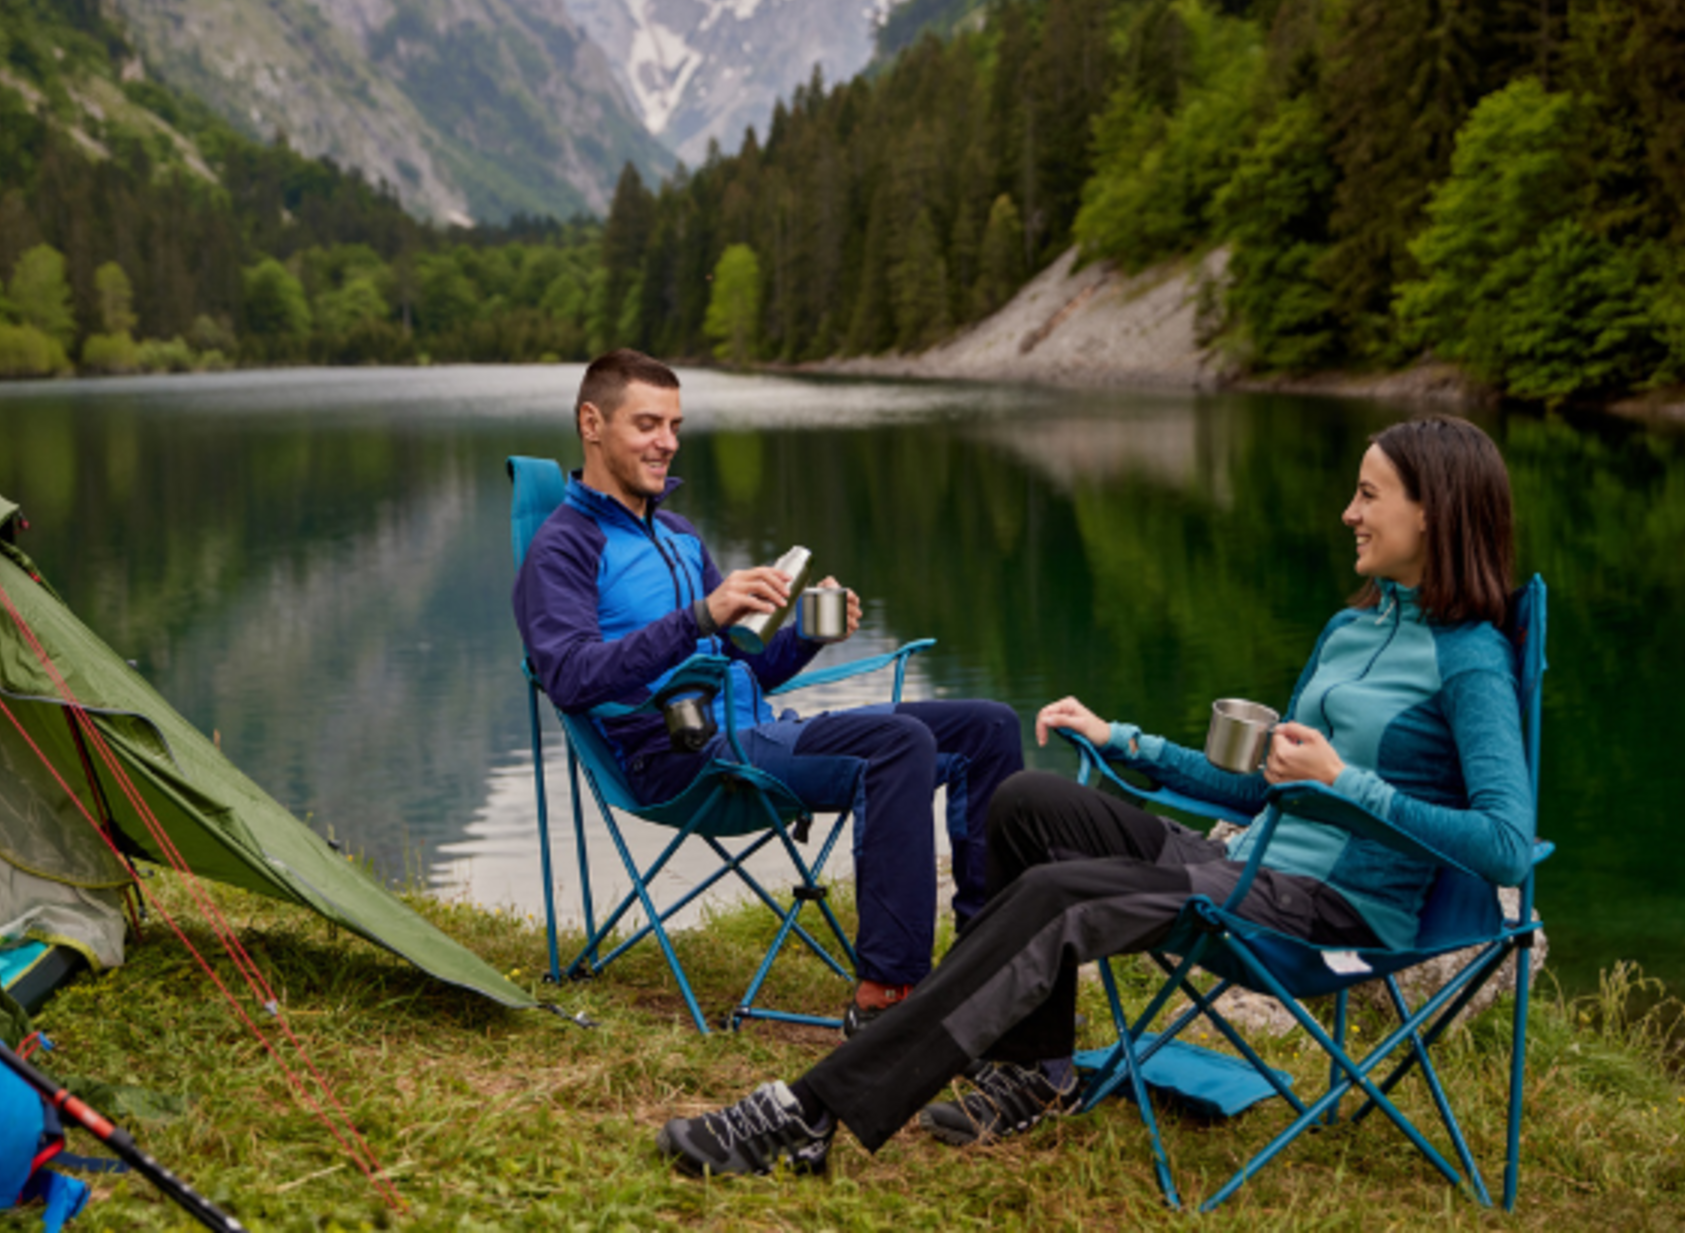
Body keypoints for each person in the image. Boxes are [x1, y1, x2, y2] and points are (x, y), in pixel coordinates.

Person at [654, 413, 1535, 1176]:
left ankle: (809, 1112)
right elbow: (1253, 787)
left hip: (1327, 912)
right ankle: (1037, 1071)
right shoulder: (1352, 627)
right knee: (1026, 802)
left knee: (1060, 894)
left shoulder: (1471, 659)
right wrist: (1123, 740)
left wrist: (1346, 783)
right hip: (1250, 865)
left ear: (1432, 511)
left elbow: (1505, 846)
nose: (1349, 512)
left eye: (1369, 496)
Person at [513, 349, 1023, 1028]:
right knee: (896, 745)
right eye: (647, 424)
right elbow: (569, 676)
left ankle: (991, 965)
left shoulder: (677, 533)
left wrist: (808, 633)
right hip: (677, 758)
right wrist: (700, 616)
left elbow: (742, 663)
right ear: (591, 424)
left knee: (989, 726)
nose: (667, 442)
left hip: (753, 734)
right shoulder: (564, 547)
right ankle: (890, 1001)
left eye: (675, 425)